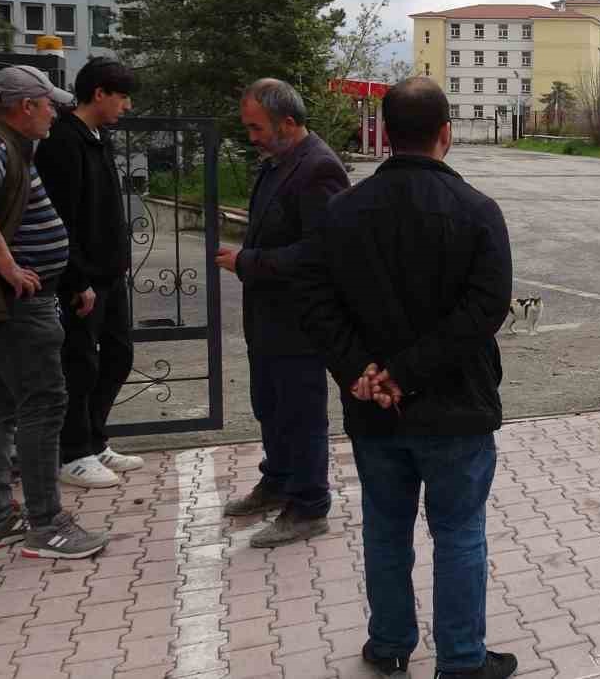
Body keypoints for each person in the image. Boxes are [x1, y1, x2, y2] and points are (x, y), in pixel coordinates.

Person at [295, 78, 518, 679]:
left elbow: (316, 301)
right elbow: (485, 309)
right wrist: (403, 371)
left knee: (386, 529)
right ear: (446, 133)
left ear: (387, 136)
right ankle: (462, 660)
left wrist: (362, 370)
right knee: (460, 533)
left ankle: (390, 643)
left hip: (375, 407)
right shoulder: (477, 211)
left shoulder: (343, 210)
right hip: (455, 406)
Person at [0, 65, 108, 559]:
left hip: (2, 303)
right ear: (24, 107)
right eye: (48, 105)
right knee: (43, 403)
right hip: (16, 305)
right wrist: (10, 267)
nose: (54, 114)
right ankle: (46, 524)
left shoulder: (2, 143)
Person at [216, 78, 349, 548]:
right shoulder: (278, 163)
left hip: (300, 322)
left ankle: (309, 506)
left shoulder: (319, 169)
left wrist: (247, 263)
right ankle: (277, 481)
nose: (250, 136)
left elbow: (322, 252)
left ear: (288, 123)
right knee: (270, 407)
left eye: (256, 128)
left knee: (300, 414)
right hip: (269, 319)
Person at [34, 58, 141, 490]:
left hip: (110, 278)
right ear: (99, 93)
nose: (127, 106)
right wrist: (76, 279)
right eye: (122, 96)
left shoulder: (98, 138)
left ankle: (96, 441)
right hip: (82, 281)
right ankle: (73, 454)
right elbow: (58, 218)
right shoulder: (64, 141)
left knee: (118, 357)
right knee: (79, 364)